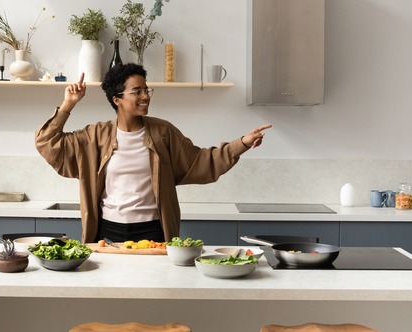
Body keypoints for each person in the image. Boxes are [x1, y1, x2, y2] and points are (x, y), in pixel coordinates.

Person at [35, 63, 272, 244]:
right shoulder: (93, 136)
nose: (145, 96)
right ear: (117, 99)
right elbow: (47, 142)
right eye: (137, 91)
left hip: (154, 231)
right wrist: (68, 105)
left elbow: (202, 161)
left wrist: (242, 142)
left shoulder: (163, 132)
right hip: (106, 233)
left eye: (146, 90)